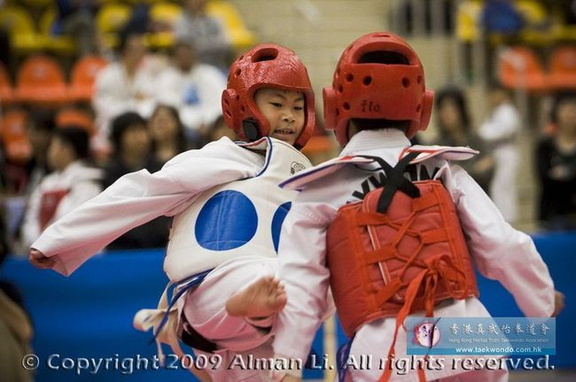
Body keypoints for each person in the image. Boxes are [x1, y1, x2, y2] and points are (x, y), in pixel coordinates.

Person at [267, 32, 564, 382]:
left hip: (388, 353)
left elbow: (300, 285)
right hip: (471, 339)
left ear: (333, 105)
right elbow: (502, 243)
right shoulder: (443, 169)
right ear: (422, 107)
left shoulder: (320, 190)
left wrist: (285, 363)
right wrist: (541, 301)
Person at [28, 42, 316, 382]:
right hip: (211, 290)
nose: (288, 116)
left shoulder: (308, 178)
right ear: (244, 106)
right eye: (277, 104)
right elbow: (140, 194)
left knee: (305, 280)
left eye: (298, 107)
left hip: (261, 328)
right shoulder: (221, 158)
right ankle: (243, 305)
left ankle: (255, 316)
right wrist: (59, 240)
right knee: (275, 279)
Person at [20, 126, 103, 250]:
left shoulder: (87, 181)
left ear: (66, 149)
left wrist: (48, 243)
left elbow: (75, 222)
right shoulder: (47, 183)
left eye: (52, 147)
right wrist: (37, 243)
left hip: (78, 255)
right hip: (41, 251)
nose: (49, 152)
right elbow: (31, 218)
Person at [102, 111, 169, 250]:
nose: (141, 137)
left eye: (143, 130)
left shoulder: (162, 168)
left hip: (159, 247)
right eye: (134, 132)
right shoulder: (108, 174)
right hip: (120, 248)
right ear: (119, 137)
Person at [155, 40, 227, 147]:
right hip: (180, 127)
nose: (184, 58)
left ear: (194, 55)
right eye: (180, 55)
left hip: (211, 124)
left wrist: (208, 122)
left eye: (187, 54)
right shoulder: (165, 78)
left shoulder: (210, 74)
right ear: (174, 58)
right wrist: (191, 124)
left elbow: (222, 101)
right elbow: (168, 107)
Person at [434, 85, 494, 192]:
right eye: (442, 108)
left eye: (451, 107)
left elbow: (488, 169)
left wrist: (454, 173)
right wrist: (473, 169)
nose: (446, 113)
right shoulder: (436, 146)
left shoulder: (476, 141)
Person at [478, 82, 521, 224]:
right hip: (497, 152)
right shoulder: (497, 111)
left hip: (506, 151)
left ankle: (508, 220)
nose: (493, 98)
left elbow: (504, 130)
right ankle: (502, 219)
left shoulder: (507, 110)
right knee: (498, 187)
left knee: (504, 186)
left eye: (495, 94)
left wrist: (482, 132)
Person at [535, 91, 576, 231]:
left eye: (574, 109)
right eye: (566, 108)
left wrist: (561, 175)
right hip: (552, 213)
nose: (570, 113)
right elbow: (544, 179)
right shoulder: (545, 146)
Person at [173, 0, 233, 70]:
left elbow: (225, 43)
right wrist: (211, 43)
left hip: (217, 64)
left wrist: (198, 44)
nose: (199, 1)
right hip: (193, 67)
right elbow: (185, 47)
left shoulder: (215, 20)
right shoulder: (181, 21)